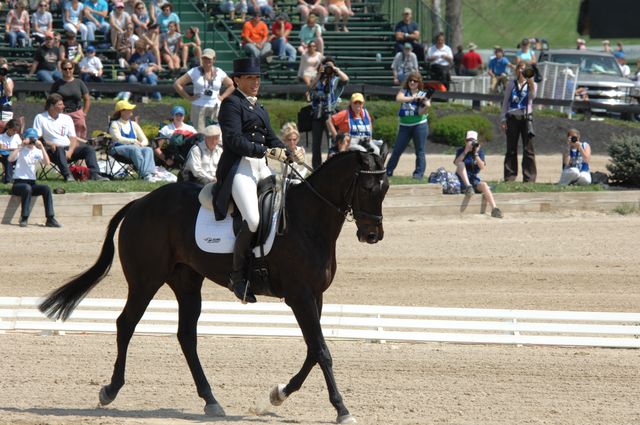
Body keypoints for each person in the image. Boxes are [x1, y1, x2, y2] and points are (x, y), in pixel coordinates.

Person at [213, 57, 303, 303]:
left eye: (258, 78)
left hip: (260, 168)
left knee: (281, 210)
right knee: (252, 219)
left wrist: (289, 153)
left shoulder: (259, 108)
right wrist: (263, 151)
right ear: (238, 80)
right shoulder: (231, 104)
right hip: (238, 167)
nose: (255, 83)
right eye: (250, 78)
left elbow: (272, 139)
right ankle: (238, 276)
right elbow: (233, 139)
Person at [33, 93, 108, 182]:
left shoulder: (66, 118)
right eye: (60, 104)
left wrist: (70, 151)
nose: (63, 106)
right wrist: (50, 144)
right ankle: (68, 175)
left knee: (88, 149)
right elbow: (36, 137)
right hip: (51, 151)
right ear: (52, 106)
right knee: (59, 149)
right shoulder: (40, 117)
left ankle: (95, 174)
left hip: (68, 150)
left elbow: (73, 138)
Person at [8, 128, 62, 228]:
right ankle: (24, 218)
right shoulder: (21, 150)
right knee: (26, 188)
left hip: (31, 183)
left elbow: (47, 163)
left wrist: (42, 147)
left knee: (46, 188)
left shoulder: (37, 151)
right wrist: (21, 146)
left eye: (33, 139)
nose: (31, 142)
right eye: (30, 139)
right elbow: (10, 159)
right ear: (24, 138)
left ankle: (50, 218)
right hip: (18, 183)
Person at [174, 48, 234, 132]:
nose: (206, 60)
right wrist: (188, 97)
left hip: (215, 107)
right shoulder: (194, 71)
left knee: (215, 133)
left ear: (214, 59)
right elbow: (177, 84)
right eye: (204, 58)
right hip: (198, 107)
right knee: (199, 134)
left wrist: (222, 97)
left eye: (209, 58)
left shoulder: (220, 72)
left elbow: (231, 85)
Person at [386, 71, 430, 179]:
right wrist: (413, 98)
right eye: (410, 80)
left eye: (415, 81)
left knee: (419, 151)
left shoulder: (423, 95)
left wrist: (426, 106)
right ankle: (387, 172)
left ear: (418, 82)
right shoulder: (404, 91)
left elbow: (420, 112)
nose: (412, 83)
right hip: (404, 126)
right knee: (397, 150)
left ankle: (418, 174)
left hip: (419, 126)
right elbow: (398, 99)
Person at [307, 56, 348, 169]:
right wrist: (319, 74)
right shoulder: (317, 80)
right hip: (317, 115)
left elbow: (346, 79)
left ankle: (332, 166)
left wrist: (336, 70)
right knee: (316, 145)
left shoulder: (336, 81)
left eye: (330, 66)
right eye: (326, 66)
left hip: (331, 115)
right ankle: (317, 169)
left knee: (334, 141)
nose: (328, 68)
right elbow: (310, 88)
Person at [500, 61, 537, 182]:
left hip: (526, 118)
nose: (522, 71)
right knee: (511, 148)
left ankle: (529, 177)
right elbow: (505, 101)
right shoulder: (511, 84)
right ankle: (510, 176)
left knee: (528, 149)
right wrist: (503, 118)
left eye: (525, 69)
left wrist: (530, 81)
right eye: (520, 69)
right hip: (512, 118)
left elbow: (532, 97)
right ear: (517, 70)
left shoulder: (532, 84)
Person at [454, 130, 503, 219]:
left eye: (473, 141)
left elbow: (482, 166)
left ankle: (494, 209)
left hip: (473, 179)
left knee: (484, 185)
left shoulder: (479, 152)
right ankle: (468, 187)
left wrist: (476, 154)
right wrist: (465, 151)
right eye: (469, 140)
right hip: (461, 179)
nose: (471, 143)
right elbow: (456, 163)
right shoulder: (460, 150)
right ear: (465, 141)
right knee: (461, 164)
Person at [108, 99, 159, 181]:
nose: (131, 111)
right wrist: (133, 141)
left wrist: (142, 145)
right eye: (128, 110)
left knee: (148, 149)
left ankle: (149, 174)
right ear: (121, 111)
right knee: (134, 148)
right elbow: (118, 139)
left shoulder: (134, 124)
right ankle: (146, 175)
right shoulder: (114, 124)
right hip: (117, 149)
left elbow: (144, 140)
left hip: (133, 149)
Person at [51, 59, 91, 140]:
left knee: (80, 138)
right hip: (62, 114)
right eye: (65, 69)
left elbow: (87, 99)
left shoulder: (79, 83)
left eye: (70, 68)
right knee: (61, 137)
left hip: (77, 113)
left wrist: (84, 114)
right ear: (61, 70)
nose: (68, 70)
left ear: (73, 69)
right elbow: (51, 100)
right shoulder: (57, 84)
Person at [0, 119, 22, 183]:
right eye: (13, 130)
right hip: (4, 156)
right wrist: (15, 149)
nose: (15, 132)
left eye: (16, 131)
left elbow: (21, 147)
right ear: (8, 127)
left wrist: (11, 149)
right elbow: (2, 149)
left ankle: (22, 178)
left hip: (16, 156)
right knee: (8, 158)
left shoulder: (17, 136)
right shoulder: (1, 137)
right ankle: (8, 180)